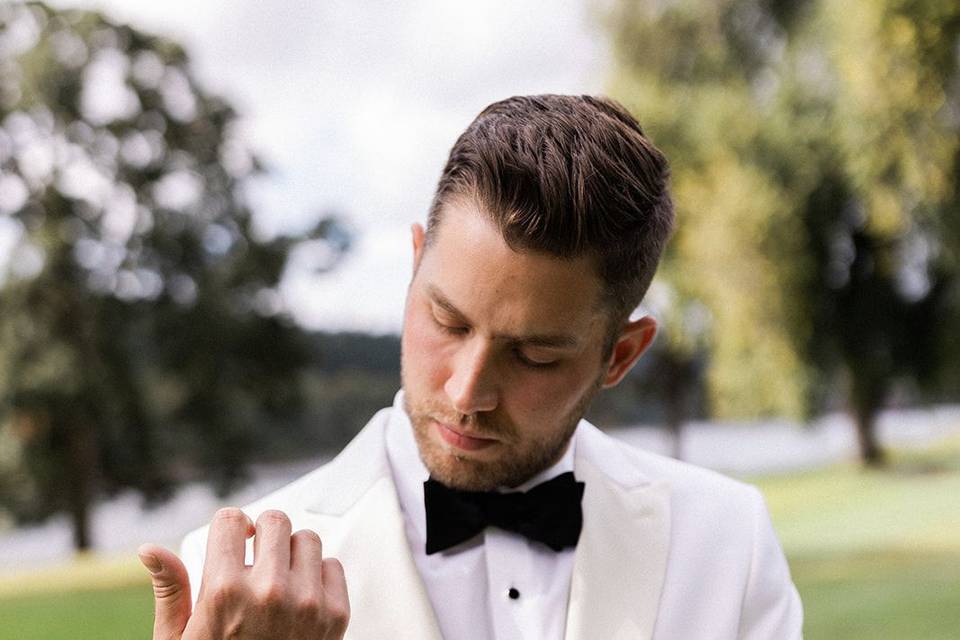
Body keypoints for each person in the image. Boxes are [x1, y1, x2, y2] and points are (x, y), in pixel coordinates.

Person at [138, 94, 803, 639]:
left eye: (534, 354)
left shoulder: (727, 543)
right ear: (415, 263)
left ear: (620, 354)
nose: (467, 390)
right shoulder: (236, 575)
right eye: (447, 322)